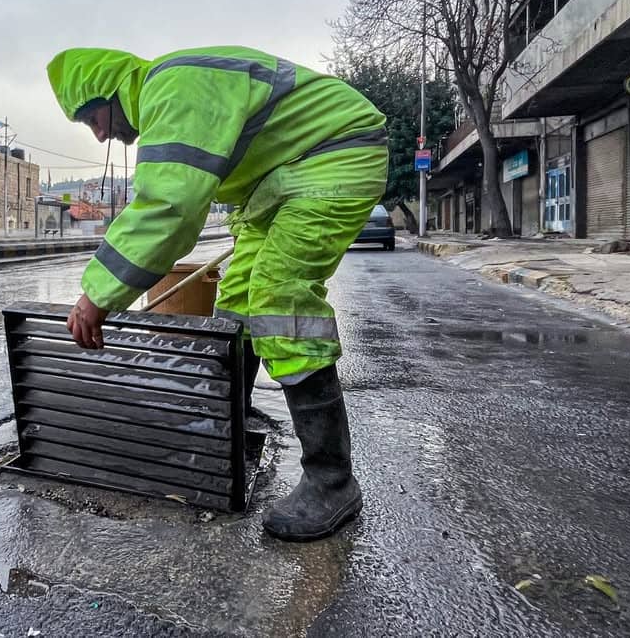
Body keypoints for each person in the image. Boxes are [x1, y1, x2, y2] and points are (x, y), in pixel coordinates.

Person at [46, 46, 388, 542]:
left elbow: (169, 208)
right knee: (235, 305)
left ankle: (331, 479)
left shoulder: (173, 89)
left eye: (94, 117)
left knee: (279, 303)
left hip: (333, 159)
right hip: (277, 185)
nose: (100, 134)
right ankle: (225, 418)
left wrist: (97, 296)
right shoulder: (169, 93)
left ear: (113, 93)